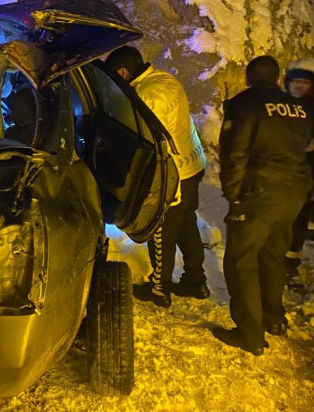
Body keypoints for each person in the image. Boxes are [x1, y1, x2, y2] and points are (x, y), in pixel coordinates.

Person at [213, 55, 312, 355]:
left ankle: (250, 334)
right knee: (273, 256)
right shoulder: (297, 107)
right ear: (279, 79)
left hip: (258, 192)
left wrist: (235, 195)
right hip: (293, 193)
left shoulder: (243, 104)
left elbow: (235, 154)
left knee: (241, 262)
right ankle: (274, 318)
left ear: (248, 77)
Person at [106, 46, 208, 308]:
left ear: (123, 72)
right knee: (186, 222)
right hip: (193, 164)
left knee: (161, 230)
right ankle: (196, 281)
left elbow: (148, 142)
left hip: (175, 174)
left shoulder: (148, 95)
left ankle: (160, 289)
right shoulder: (164, 79)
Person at [283, 57, 314, 281]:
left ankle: (291, 263)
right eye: (296, 82)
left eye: (305, 82)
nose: (300, 86)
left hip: (305, 173)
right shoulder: (280, 104)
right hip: (282, 172)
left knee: (299, 218)